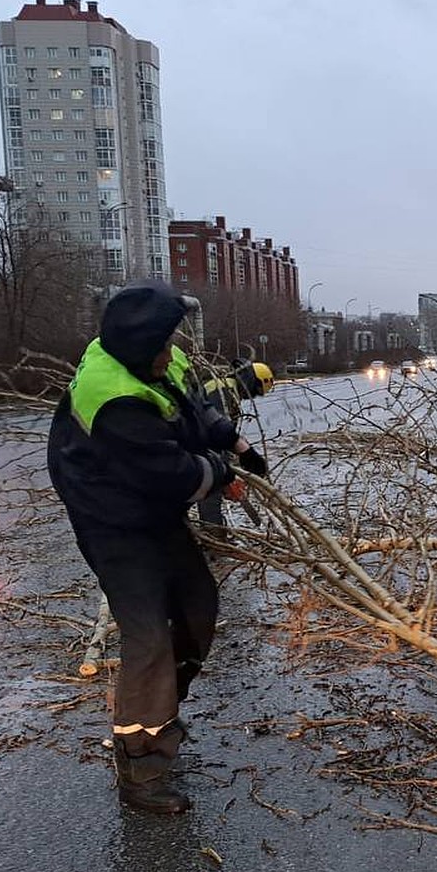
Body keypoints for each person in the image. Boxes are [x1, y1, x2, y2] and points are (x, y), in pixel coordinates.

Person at [47, 280, 269, 815]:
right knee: (148, 638)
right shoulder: (113, 397)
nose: (172, 353)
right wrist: (221, 474)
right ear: (141, 348)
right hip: (113, 521)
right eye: (164, 345)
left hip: (151, 510)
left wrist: (236, 444)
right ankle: (140, 768)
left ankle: (162, 709)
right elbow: (169, 473)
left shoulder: (154, 360)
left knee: (198, 611)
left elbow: (191, 412)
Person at [197, 359, 275, 526]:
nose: (251, 396)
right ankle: (213, 535)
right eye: (254, 391)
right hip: (198, 448)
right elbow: (215, 434)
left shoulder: (230, 390)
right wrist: (224, 473)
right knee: (212, 489)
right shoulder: (223, 390)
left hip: (198, 447)